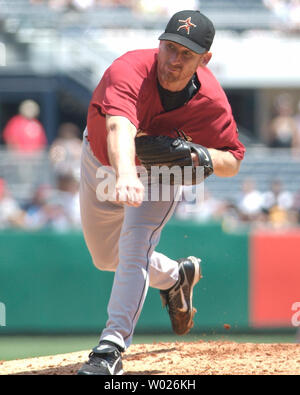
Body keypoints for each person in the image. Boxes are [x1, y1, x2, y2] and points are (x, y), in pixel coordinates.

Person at [77, 10, 245, 375]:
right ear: (160, 44)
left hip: (161, 172)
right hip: (104, 160)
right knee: (107, 257)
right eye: (169, 47)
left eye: (186, 53)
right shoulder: (130, 69)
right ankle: (174, 277)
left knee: (135, 246)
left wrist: (200, 155)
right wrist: (124, 174)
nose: (174, 59)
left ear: (205, 59)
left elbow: (233, 160)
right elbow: (119, 127)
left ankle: (110, 350)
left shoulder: (212, 101)